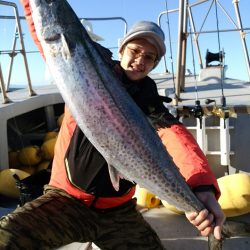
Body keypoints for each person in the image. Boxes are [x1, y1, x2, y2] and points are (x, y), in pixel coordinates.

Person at [0, 1, 225, 249]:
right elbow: (47, 31)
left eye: (149, 57)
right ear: (120, 50)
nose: (140, 60)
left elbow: (178, 140)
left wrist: (201, 186)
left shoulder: (151, 105)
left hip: (119, 212)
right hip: (65, 200)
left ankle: (216, 237)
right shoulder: (81, 67)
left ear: (155, 64)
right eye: (135, 51)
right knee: (6, 236)